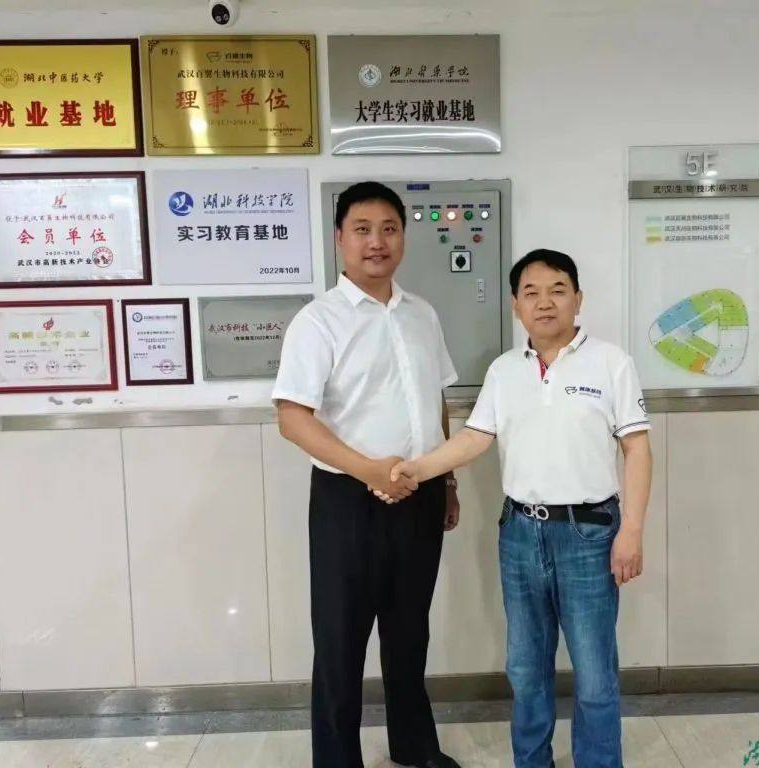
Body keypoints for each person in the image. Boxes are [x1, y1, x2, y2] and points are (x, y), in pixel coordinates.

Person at [381, 248, 653, 768]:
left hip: (589, 533)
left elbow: (637, 449)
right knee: (526, 670)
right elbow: (475, 437)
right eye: (531, 293)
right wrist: (417, 469)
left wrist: (632, 531)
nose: (544, 302)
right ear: (515, 305)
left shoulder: (611, 362)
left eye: (557, 290)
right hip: (521, 534)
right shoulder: (505, 371)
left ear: (578, 299)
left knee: (595, 674)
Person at [272, 181, 462, 768]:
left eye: (389, 229)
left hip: (420, 495)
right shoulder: (318, 321)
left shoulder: (423, 314)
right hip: (348, 500)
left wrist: (446, 481)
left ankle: (414, 746)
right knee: (340, 641)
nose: (377, 241)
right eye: (362, 229)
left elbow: (435, 401)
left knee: (410, 632)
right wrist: (368, 471)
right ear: (340, 239)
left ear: (403, 237)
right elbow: (292, 418)